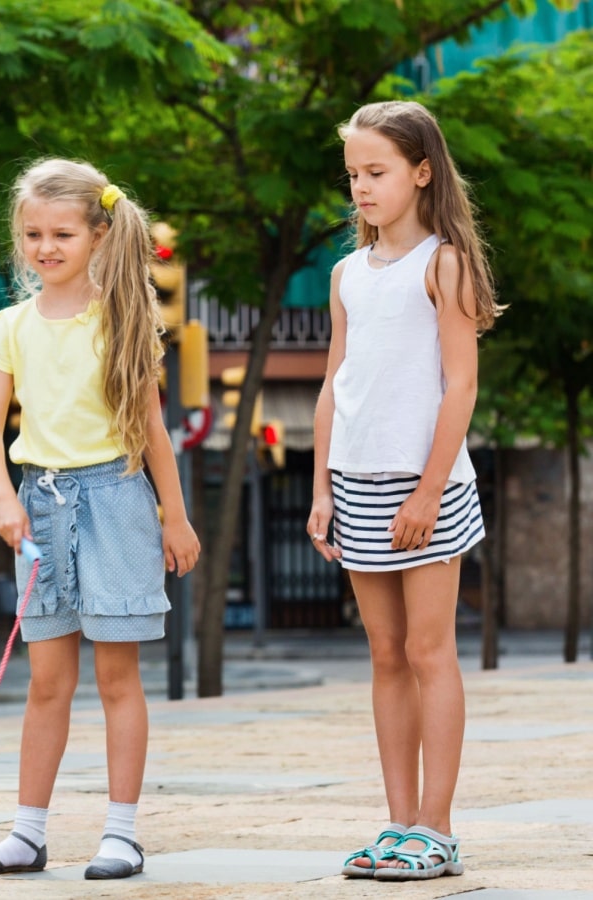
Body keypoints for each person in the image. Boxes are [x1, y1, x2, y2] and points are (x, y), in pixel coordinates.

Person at [0, 158, 200, 880]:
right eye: (32, 233)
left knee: (117, 678)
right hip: (40, 505)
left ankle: (121, 832)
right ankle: (27, 833)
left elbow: (152, 428)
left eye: (62, 233)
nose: (44, 247)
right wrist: (4, 497)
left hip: (118, 499)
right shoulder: (10, 325)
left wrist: (175, 518)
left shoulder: (123, 319)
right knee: (46, 680)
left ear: (97, 234)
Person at [312, 100, 497, 882]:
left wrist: (426, 492)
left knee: (429, 651)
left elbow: (460, 387)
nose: (361, 187)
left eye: (377, 172)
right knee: (385, 656)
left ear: (421, 173)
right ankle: (397, 824)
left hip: (428, 486)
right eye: (354, 174)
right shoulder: (345, 273)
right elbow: (334, 383)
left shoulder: (443, 264)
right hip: (354, 480)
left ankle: (439, 828)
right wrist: (320, 485)